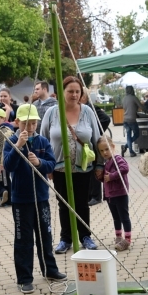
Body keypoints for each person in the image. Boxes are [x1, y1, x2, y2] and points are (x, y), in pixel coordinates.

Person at [3, 104, 66, 294]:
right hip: (21, 200)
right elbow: (8, 165)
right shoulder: (11, 141)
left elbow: (51, 164)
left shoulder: (43, 141)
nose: (29, 127)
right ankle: (24, 278)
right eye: (25, 123)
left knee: (45, 234)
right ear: (17, 123)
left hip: (41, 197)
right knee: (23, 239)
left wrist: (39, 163)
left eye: (33, 123)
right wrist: (18, 147)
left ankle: (50, 269)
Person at [41, 76, 100, 254]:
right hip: (58, 167)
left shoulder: (88, 112)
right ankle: (65, 239)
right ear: (61, 92)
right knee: (64, 203)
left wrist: (100, 165)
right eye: (70, 91)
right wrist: (46, 166)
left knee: (82, 203)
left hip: (83, 167)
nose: (74, 95)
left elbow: (98, 139)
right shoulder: (51, 112)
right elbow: (43, 139)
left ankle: (85, 236)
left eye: (77, 91)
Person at [97, 136, 132, 251]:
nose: (104, 152)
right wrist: (101, 177)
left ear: (113, 147)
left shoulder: (117, 158)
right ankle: (118, 236)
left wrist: (111, 176)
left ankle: (127, 239)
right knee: (116, 218)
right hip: (110, 195)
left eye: (107, 149)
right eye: (101, 151)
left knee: (124, 217)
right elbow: (106, 180)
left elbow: (125, 169)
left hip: (120, 194)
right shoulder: (107, 162)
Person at [122, 86, 143, 157]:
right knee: (137, 134)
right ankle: (126, 147)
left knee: (128, 136)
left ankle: (130, 151)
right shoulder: (134, 98)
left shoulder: (124, 99)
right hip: (132, 120)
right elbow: (141, 106)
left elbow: (126, 108)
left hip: (125, 120)